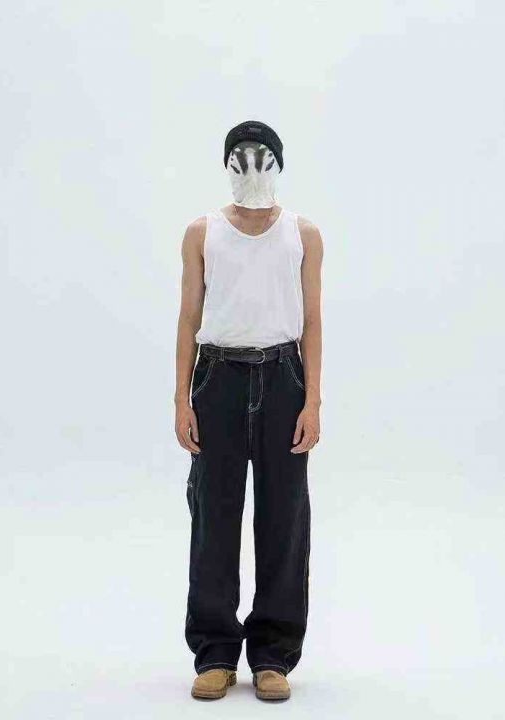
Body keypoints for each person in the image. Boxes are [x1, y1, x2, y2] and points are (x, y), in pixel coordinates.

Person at [174, 120, 323, 701]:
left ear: (278, 164)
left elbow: (312, 321)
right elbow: (189, 316)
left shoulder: (302, 234)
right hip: (219, 378)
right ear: (227, 164)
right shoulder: (202, 232)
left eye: (263, 157)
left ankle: (273, 655)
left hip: (284, 375)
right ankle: (215, 652)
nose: (252, 166)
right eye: (240, 157)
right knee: (213, 513)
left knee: (284, 516)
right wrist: (181, 397)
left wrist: (312, 400)